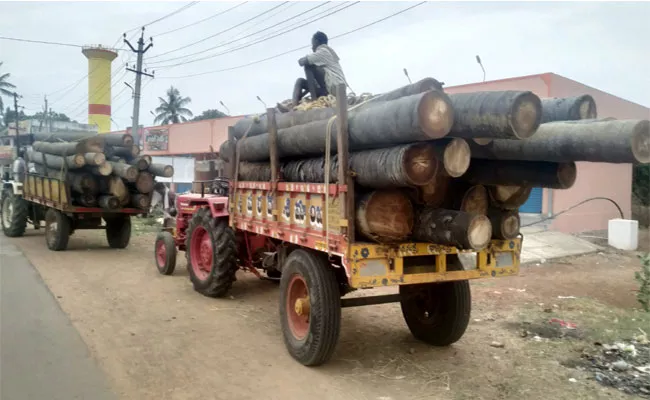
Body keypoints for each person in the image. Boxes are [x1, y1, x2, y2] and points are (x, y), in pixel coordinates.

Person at [293, 31, 348, 106]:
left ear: (316, 42)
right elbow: (311, 81)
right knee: (300, 81)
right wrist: (302, 94)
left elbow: (301, 62)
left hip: (334, 88)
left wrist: (306, 58)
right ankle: (295, 105)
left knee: (308, 65)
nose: (311, 47)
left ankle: (314, 101)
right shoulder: (327, 53)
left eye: (312, 44)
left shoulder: (323, 51)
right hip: (332, 88)